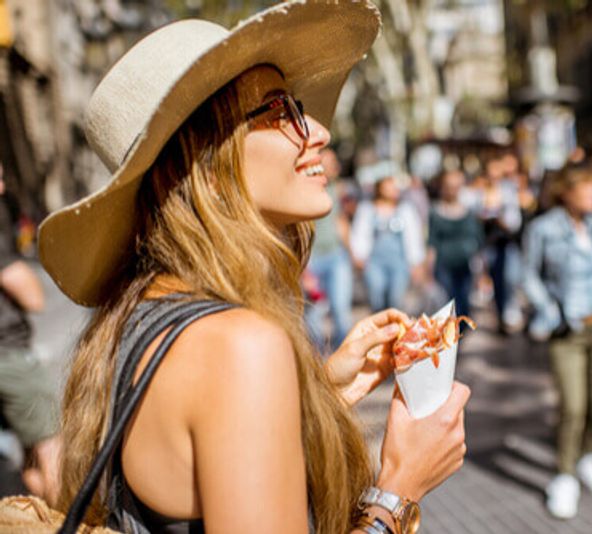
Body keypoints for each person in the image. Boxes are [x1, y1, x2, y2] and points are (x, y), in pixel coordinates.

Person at [41, 4, 469, 532]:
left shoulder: (146, 308)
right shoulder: (238, 346)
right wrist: (400, 490)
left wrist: (322, 393)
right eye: (277, 111)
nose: (318, 132)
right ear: (205, 166)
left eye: (300, 106)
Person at [523, 161, 592, 520]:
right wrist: (550, 312)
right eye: (589, 188)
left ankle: (590, 458)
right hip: (568, 331)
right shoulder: (542, 229)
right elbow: (528, 276)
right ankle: (564, 475)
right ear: (567, 192)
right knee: (572, 406)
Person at [0, 177, 60, 506]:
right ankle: (62, 522)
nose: (4, 184)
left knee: (30, 458)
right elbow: (29, 292)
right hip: (9, 354)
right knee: (51, 450)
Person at [351, 175, 426, 312]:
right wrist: (359, 256)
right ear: (380, 188)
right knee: (376, 296)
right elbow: (359, 233)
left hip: (399, 262)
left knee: (396, 298)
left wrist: (416, 263)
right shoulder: (367, 209)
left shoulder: (406, 210)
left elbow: (414, 237)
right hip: (374, 262)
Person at [305, 148, 354, 351]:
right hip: (312, 259)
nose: (335, 167)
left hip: (336, 256)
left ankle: (344, 354)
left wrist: (352, 253)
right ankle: (317, 364)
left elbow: (340, 221)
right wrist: (302, 269)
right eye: (329, 162)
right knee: (312, 316)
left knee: (341, 310)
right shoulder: (304, 191)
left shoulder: (336, 189)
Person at [427, 169, 483, 318]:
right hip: (444, 266)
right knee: (446, 306)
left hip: (464, 267)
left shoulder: (469, 213)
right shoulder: (435, 212)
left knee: (463, 305)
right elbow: (432, 242)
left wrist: (482, 272)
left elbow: (478, 241)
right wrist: (428, 271)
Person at [476, 153, 521, 334]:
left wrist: (500, 216)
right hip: (487, 244)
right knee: (492, 281)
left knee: (507, 280)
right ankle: (500, 313)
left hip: (504, 243)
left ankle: (505, 315)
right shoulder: (479, 193)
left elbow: (514, 222)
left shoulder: (508, 193)